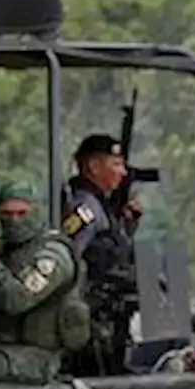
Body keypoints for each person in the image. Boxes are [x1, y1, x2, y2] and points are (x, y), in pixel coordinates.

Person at [0, 182, 90, 385]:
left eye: (22, 213)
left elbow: (16, 300)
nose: (14, 220)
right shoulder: (6, 249)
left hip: (40, 357)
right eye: (7, 214)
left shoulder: (52, 256)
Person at [62, 134, 140, 375]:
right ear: (94, 167)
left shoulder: (102, 207)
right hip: (92, 322)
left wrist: (126, 225)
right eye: (116, 164)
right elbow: (71, 256)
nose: (123, 172)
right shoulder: (85, 209)